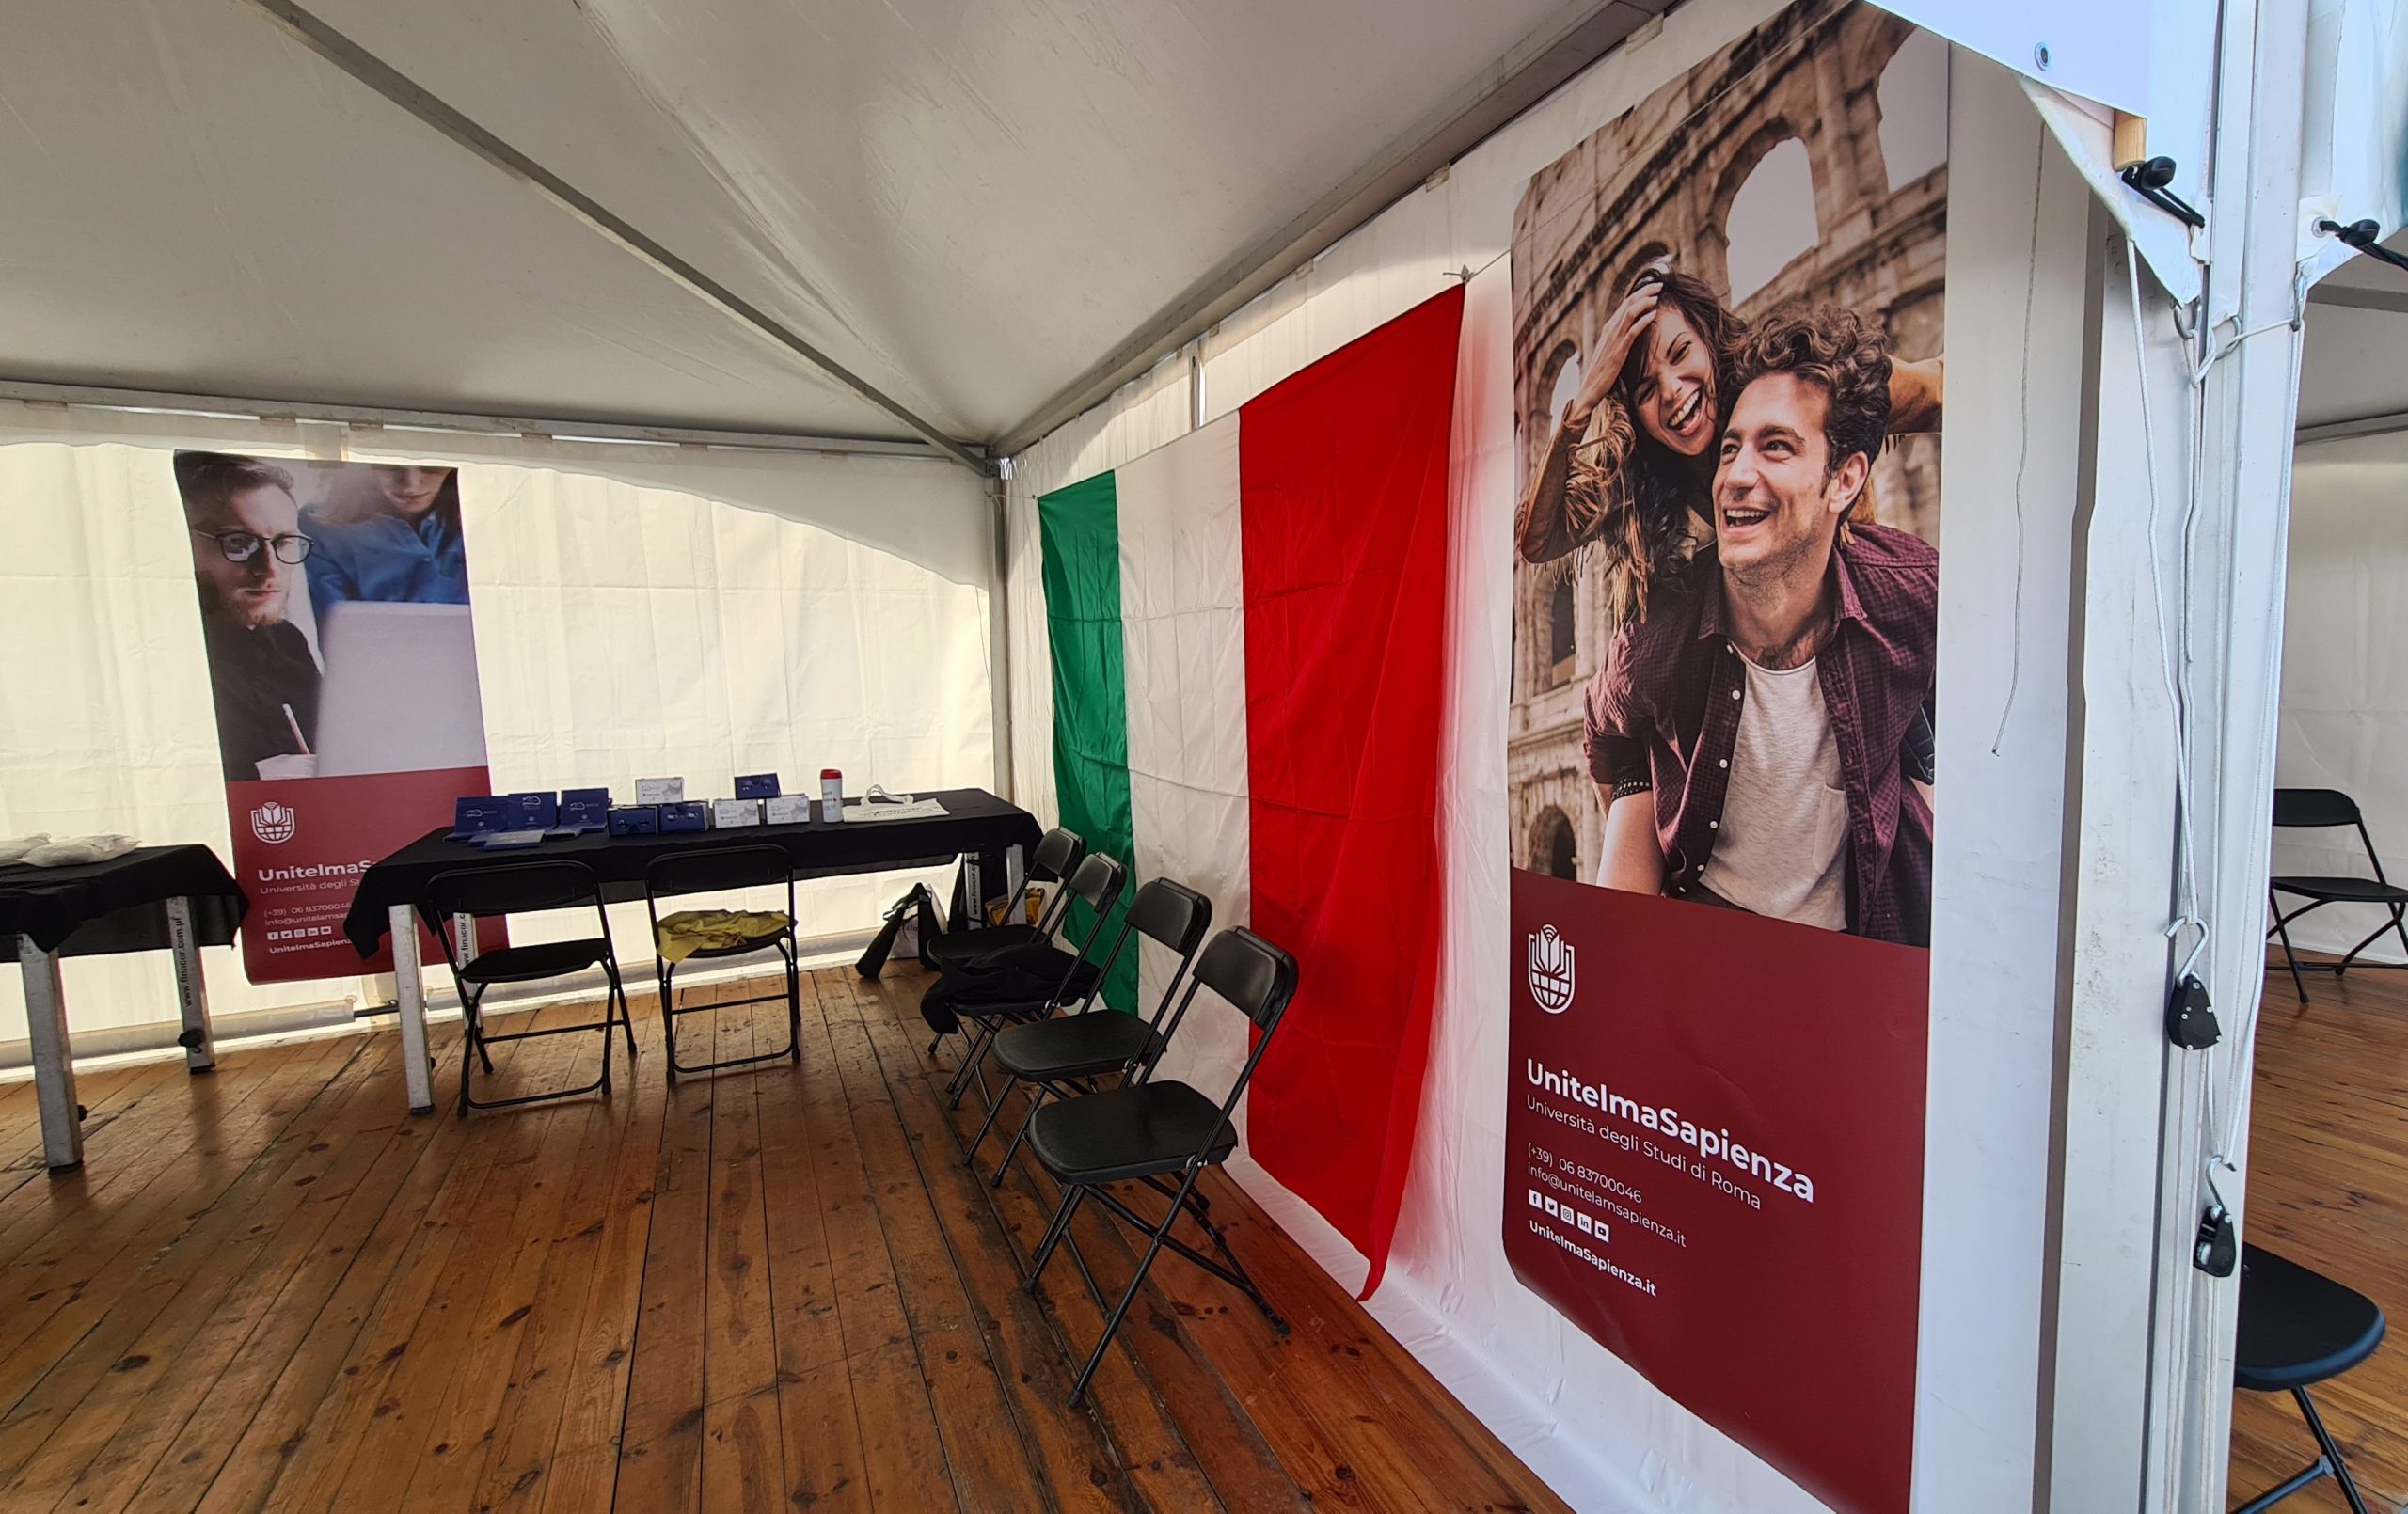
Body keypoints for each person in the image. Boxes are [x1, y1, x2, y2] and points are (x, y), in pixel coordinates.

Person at [1579, 307, 1937, 945]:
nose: (1737, 476)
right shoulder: (1654, 640)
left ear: (1845, 479)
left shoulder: (1914, 593)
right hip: (1713, 957)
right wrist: (1634, 836)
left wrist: (1929, 778)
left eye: (1776, 446)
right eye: (1729, 449)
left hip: (1868, 956)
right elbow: (1610, 736)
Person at [1516, 262, 1943, 630]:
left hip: (1867, 617)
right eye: (1646, 389)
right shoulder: (1650, 464)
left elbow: (1939, 390)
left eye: (1681, 352)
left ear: (1709, 338)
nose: (1670, 390)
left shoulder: (1795, 383)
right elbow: (1539, 540)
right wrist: (1587, 397)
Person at [177, 453, 322, 781]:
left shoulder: (289, 641)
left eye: (283, 543)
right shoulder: (167, 656)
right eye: (239, 542)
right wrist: (256, 775)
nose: (270, 569)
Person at [300, 465, 468, 607]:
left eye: (430, 466)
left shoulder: (482, 515)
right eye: (391, 467)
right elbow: (333, 626)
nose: (410, 485)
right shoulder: (321, 526)